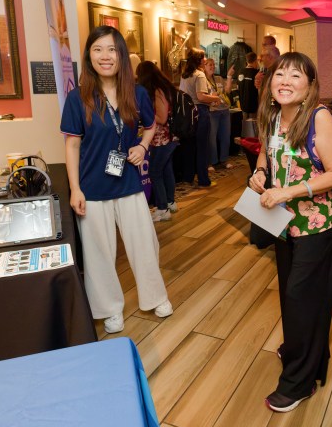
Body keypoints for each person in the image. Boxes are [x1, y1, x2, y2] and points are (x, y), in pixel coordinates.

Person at [248, 52, 332, 412]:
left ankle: (299, 381)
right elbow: (265, 156)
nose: (285, 81)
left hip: (315, 224)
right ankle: (298, 350)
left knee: (303, 297)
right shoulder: (273, 116)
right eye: (280, 74)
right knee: (292, 295)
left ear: (309, 87)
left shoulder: (320, 118)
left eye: (295, 76)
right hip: (282, 224)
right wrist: (258, 174)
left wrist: (287, 192)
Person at [61, 26, 173, 334]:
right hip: (92, 188)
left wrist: (141, 145)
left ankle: (155, 297)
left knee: (145, 245)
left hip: (128, 184)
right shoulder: (77, 98)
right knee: (98, 254)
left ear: (121, 55)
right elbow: (71, 145)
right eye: (98, 49)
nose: (105, 56)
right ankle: (109, 309)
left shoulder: (136, 93)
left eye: (111, 49)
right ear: (89, 56)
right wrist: (75, 189)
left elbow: (150, 126)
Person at [136, 61, 179, 221]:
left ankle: (162, 209)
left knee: (155, 171)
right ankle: (170, 201)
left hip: (163, 139)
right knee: (166, 170)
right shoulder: (162, 88)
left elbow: (161, 118)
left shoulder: (158, 91)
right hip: (165, 138)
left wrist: (144, 114)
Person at [177, 49, 216, 188]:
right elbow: (201, 96)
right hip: (200, 112)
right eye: (203, 57)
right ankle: (203, 180)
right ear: (199, 60)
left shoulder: (184, 75)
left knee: (189, 147)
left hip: (187, 114)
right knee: (202, 147)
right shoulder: (200, 75)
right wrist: (216, 98)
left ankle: (188, 178)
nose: (205, 59)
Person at [203, 57, 234, 170]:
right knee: (211, 138)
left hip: (224, 110)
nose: (212, 67)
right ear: (204, 67)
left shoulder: (219, 78)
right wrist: (213, 96)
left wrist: (229, 76)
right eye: (209, 65)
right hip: (212, 112)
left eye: (213, 64)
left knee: (225, 136)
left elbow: (227, 90)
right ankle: (212, 162)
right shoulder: (203, 80)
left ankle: (224, 160)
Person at [237, 51, 260, 118]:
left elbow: (238, 87)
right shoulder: (257, 73)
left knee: (245, 126)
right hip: (253, 107)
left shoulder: (240, 71)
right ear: (255, 61)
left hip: (243, 106)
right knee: (252, 127)